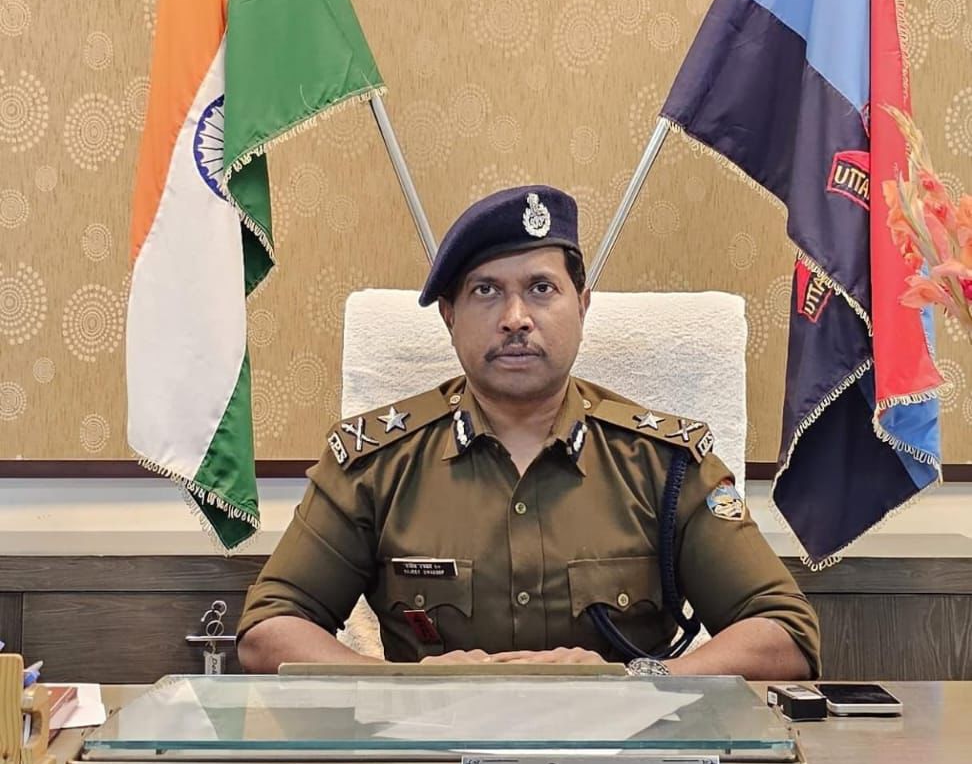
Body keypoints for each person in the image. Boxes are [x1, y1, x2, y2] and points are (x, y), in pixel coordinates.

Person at [237, 185, 820, 678]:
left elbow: (785, 633)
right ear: (449, 316)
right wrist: (406, 685)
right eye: (486, 291)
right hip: (434, 759)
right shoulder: (376, 464)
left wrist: (634, 683)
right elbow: (268, 630)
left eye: (541, 289)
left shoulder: (664, 464)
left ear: (582, 306)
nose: (515, 318)